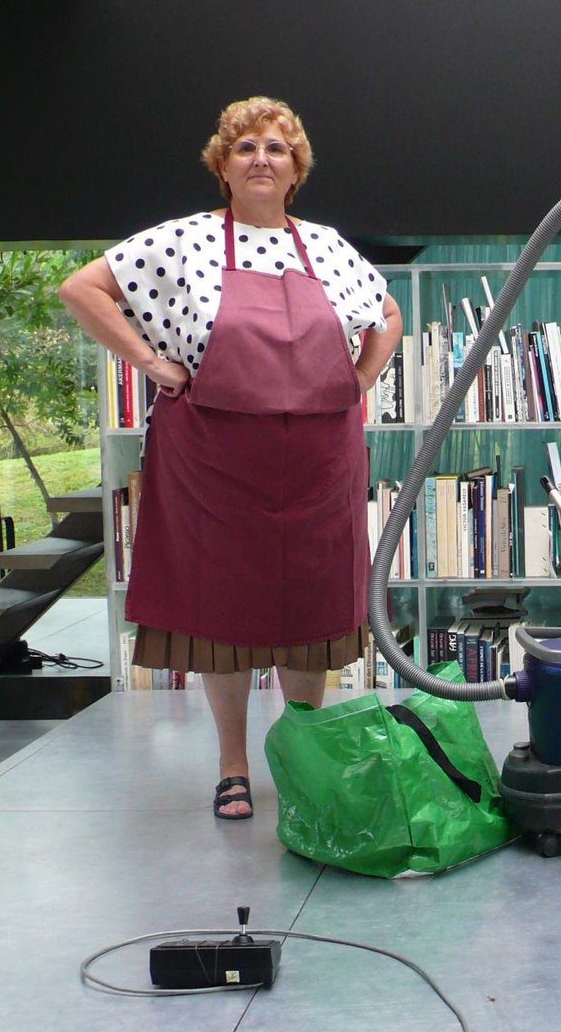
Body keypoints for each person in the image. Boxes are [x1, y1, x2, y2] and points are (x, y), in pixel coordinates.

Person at [60, 96, 403, 820]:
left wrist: (360, 379)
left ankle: (301, 757)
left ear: (296, 170)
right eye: (245, 148)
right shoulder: (183, 241)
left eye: (276, 148)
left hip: (319, 466)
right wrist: (151, 363)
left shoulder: (329, 247)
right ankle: (233, 766)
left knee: (310, 612)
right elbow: (82, 288)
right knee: (223, 615)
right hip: (213, 464)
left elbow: (387, 312)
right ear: (223, 166)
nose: (261, 160)